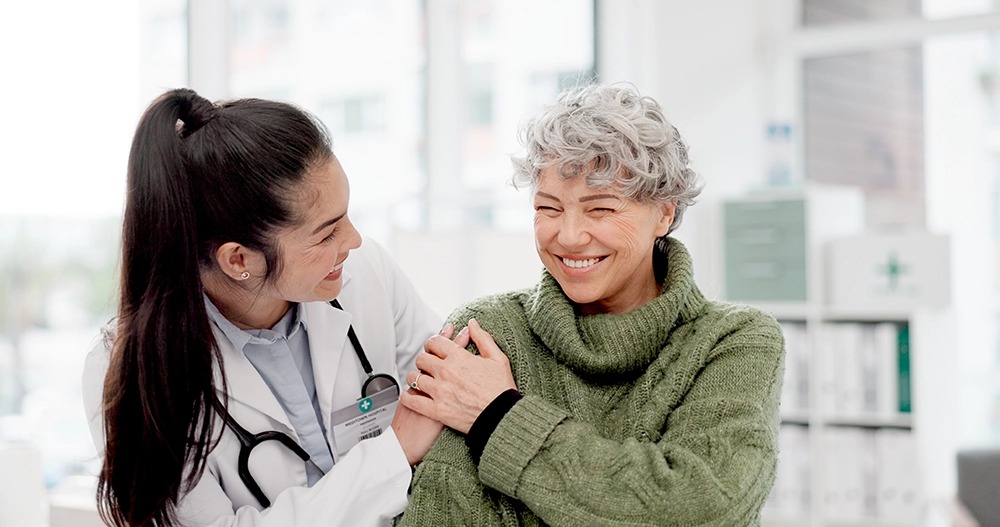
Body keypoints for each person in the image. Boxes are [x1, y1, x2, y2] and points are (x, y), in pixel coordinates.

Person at [395, 83, 786, 526]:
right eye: (549, 208)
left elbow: (702, 508)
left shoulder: (734, 340)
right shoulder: (489, 332)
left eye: (600, 210)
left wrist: (499, 417)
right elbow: (444, 514)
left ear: (664, 212)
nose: (569, 235)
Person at [82, 88, 454, 527]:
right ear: (238, 259)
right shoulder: (132, 372)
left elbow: (447, 403)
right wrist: (391, 455)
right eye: (326, 233)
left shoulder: (365, 273)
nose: (352, 241)